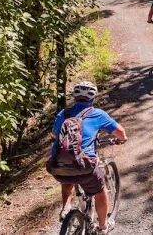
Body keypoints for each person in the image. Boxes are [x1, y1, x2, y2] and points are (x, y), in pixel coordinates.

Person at [49, 81, 127, 234]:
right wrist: (122, 139)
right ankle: (103, 226)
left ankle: (66, 208)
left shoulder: (63, 114)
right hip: (84, 167)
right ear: (93, 97)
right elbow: (120, 133)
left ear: (75, 97)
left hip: (56, 166)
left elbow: (54, 134)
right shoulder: (97, 114)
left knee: (67, 173)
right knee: (100, 189)